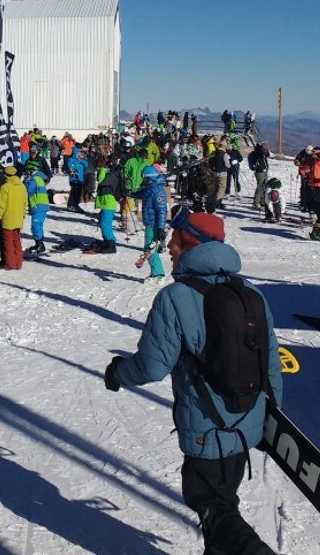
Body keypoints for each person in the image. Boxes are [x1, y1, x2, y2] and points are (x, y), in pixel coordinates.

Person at [104, 209, 282, 555]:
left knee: (214, 508)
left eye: (175, 238)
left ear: (191, 242)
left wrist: (117, 372)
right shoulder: (251, 294)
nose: (169, 245)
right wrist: (268, 419)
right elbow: (270, 363)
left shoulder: (176, 297)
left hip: (206, 430)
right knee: (222, 503)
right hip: (246, 425)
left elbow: (152, 367)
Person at [130, 165, 168, 283]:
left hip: (154, 224)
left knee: (149, 249)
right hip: (149, 222)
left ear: (149, 178)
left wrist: (161, 228)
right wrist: (129, 193)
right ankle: (156, 272)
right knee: (150, 248)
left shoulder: (157, 191)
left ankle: (157, 274)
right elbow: (141, 194)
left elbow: (162, 211)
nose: (142, 179)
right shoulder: (150, 188)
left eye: (144, 177)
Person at [0, 165, 28, 270]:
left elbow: (1, 204)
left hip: (8, 218)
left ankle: (10, 264)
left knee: (8, 242)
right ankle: (18, 263)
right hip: (18, 218)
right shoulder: (22, 186)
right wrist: (23, 214)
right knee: (17, 241)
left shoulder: (5, 187)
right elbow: (25, 202)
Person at [25, 162, 50, 254]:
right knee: (38, 226)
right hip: (40, 206)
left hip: (38, 206)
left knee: (35, 226)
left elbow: (28, 190)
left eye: (27, 170)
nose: (26, 173)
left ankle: (39, 244)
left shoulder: (35, 179)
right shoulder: (39, 178)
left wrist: (26, 181)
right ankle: (39, 243)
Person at [247, 143, 270, 211]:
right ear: (263, 148)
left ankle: (262, 201)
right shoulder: (258, 153)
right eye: (266, 149)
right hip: (259, 171)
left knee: (265, 187)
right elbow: (262, 155)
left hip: (264, 171)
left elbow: (268, 155)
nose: (267, 150)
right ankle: (256, 203)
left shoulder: (262, 152)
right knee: (260, 187)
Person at [66, 147, 87, 212]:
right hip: (74, 179)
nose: (79, 154)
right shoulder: (71, 159)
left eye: (80, 153)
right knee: (74, 192)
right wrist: (72, 170)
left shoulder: (81, 160)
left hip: (80, 179)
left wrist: (81, 159)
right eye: (78, 153)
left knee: (79, 193)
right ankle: (71, 205)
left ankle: (76, 205)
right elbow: (70, 166)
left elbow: (86, 165)